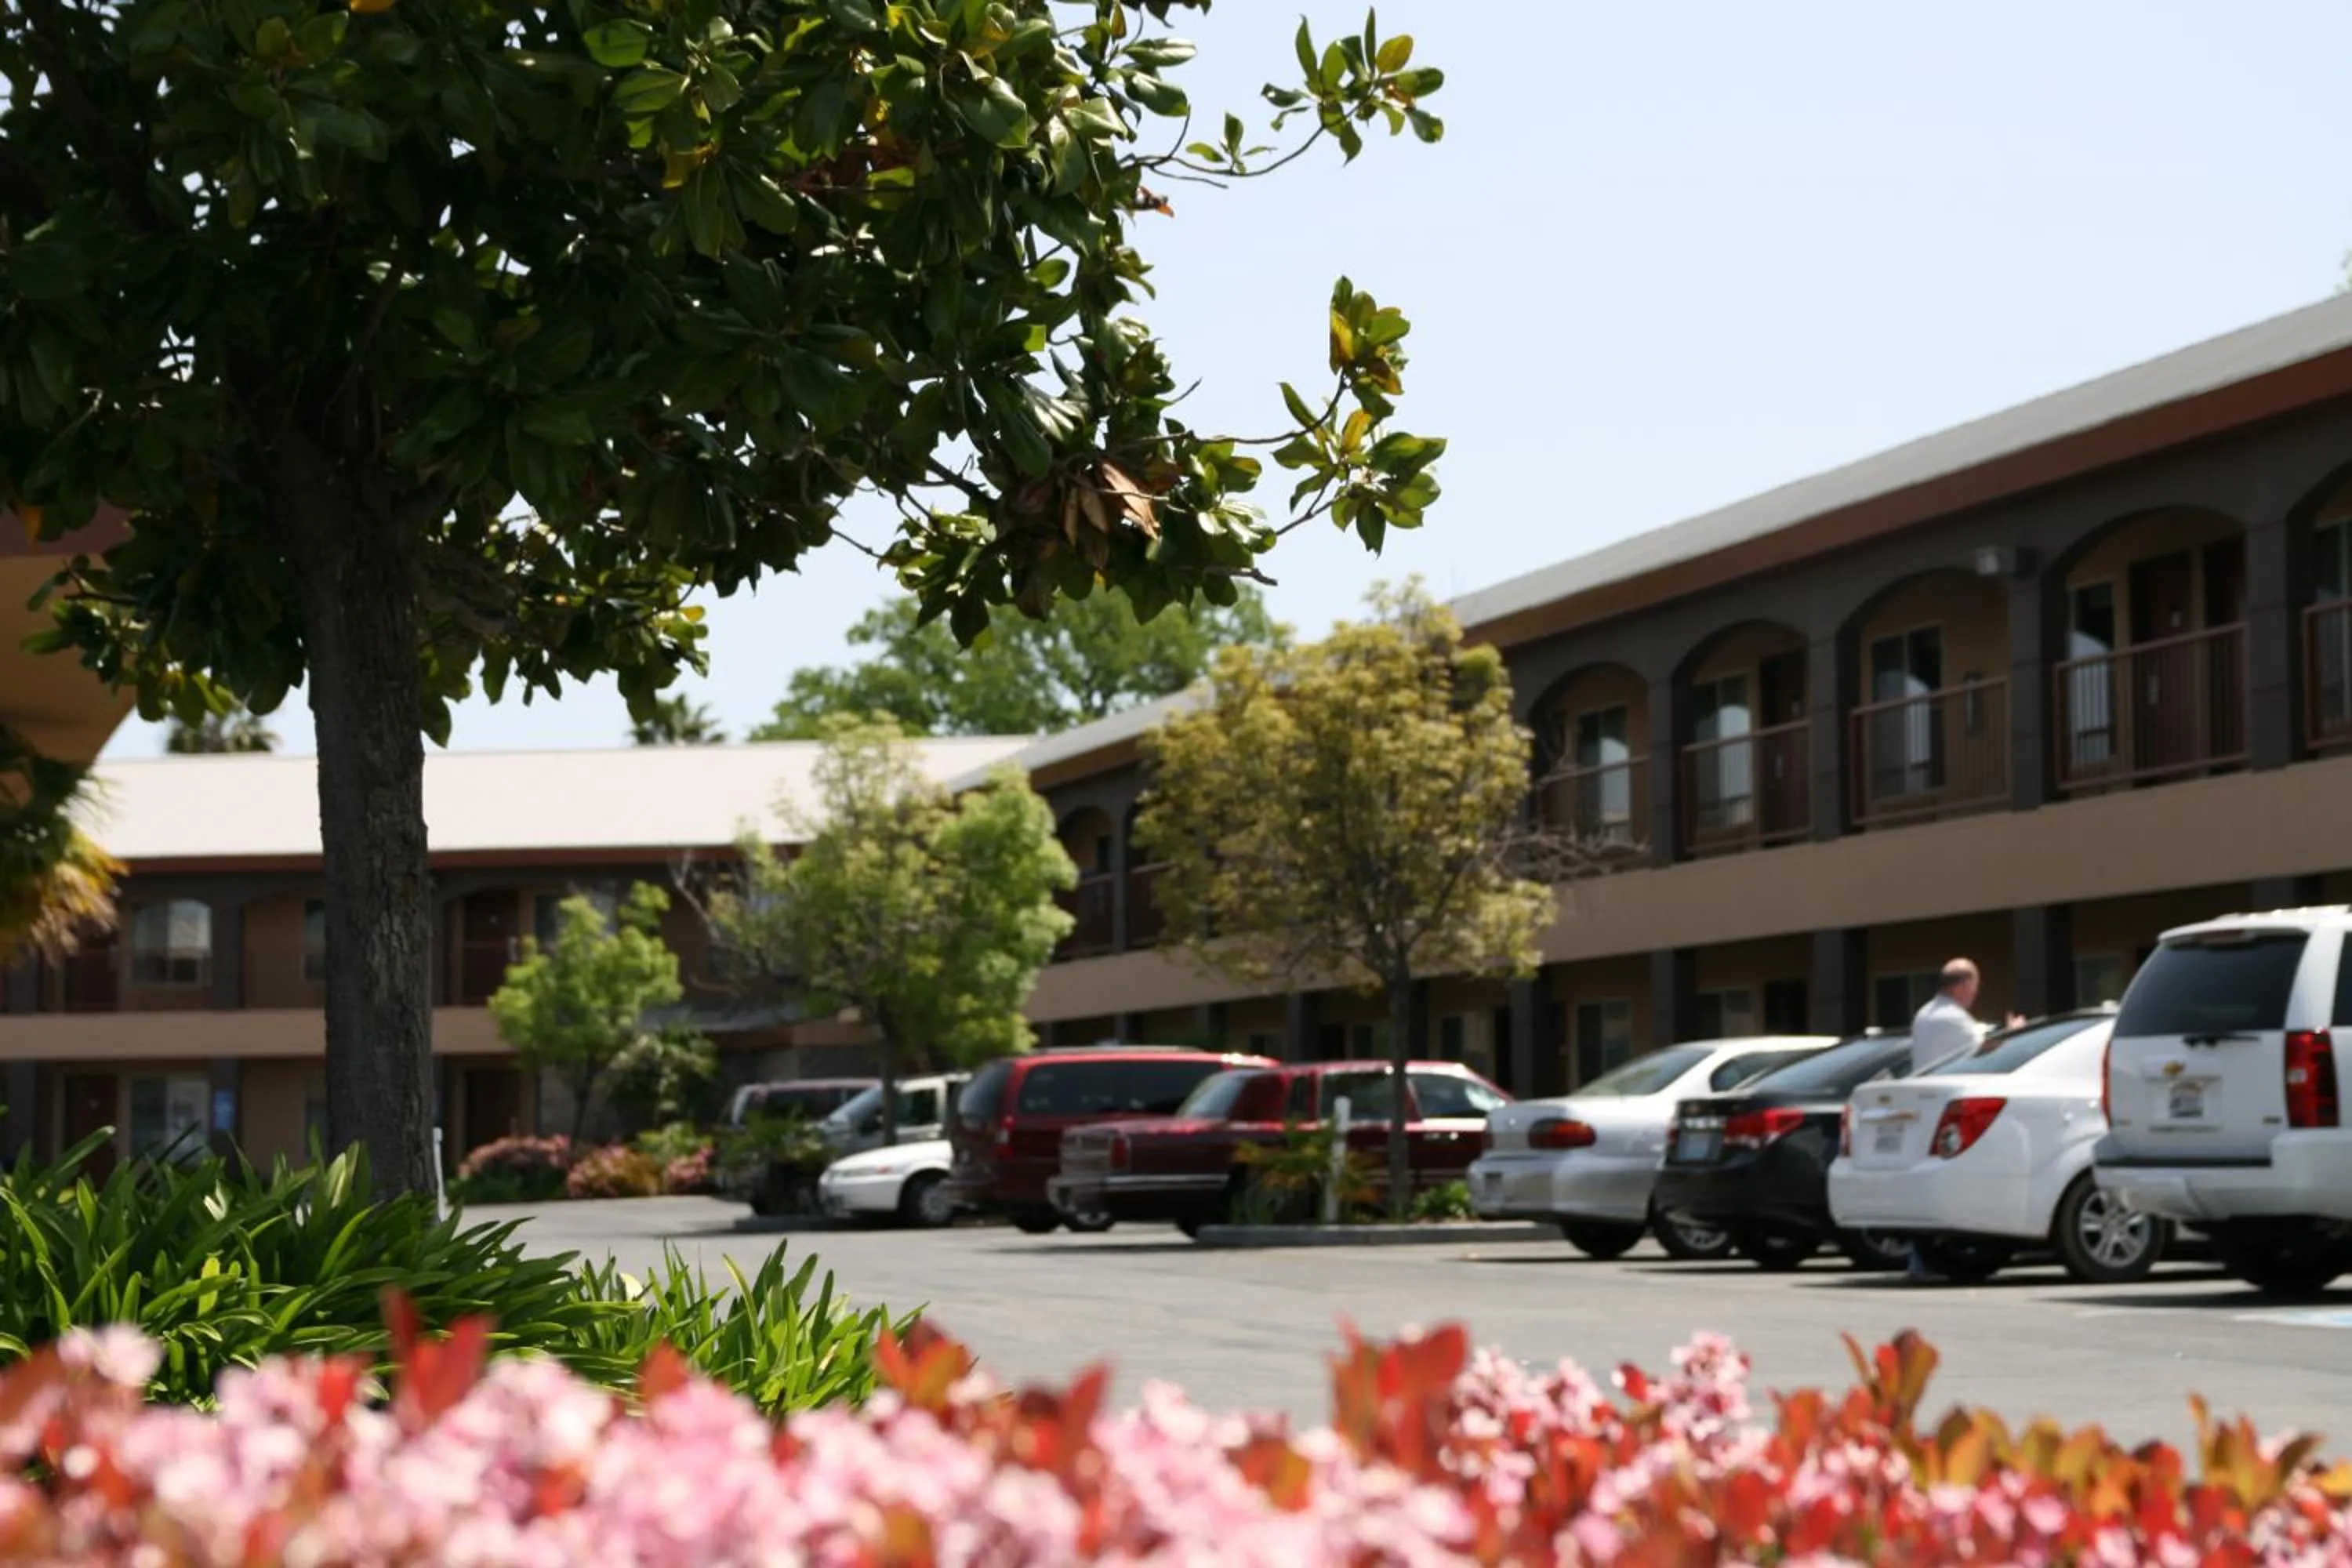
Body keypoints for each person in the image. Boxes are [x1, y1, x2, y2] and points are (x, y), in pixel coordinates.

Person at [1901, 959, 2024, 1279]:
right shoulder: (1952, 1019)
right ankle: (1929, 1260)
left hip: (1924, 1105)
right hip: (1946, 1110)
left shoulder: (1926, 1014)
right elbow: (1983, 1050)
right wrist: (2015, 1034)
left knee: (1921, 1186)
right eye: (1975, 985)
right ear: (1964, 984)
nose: (1976, 993)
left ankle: (1919, 1260)